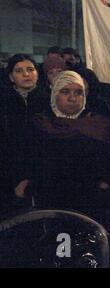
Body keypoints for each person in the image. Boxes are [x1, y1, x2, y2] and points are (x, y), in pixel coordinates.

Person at [25, 71, 110, 227]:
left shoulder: (100, 125)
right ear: (54, 94)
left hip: (91, 202)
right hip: (50, 201)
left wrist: (105, 183)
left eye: (78, 92)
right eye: (65, 92)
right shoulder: (39, 124)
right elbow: (26, 160)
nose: (72, 98)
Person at [0, 54, 49, 214]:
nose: (26, 74)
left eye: (30, 69)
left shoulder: (50, 100)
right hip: (7, 170)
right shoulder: (4, 100)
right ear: (11, 77)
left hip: (41, 171)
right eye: (19, 71)